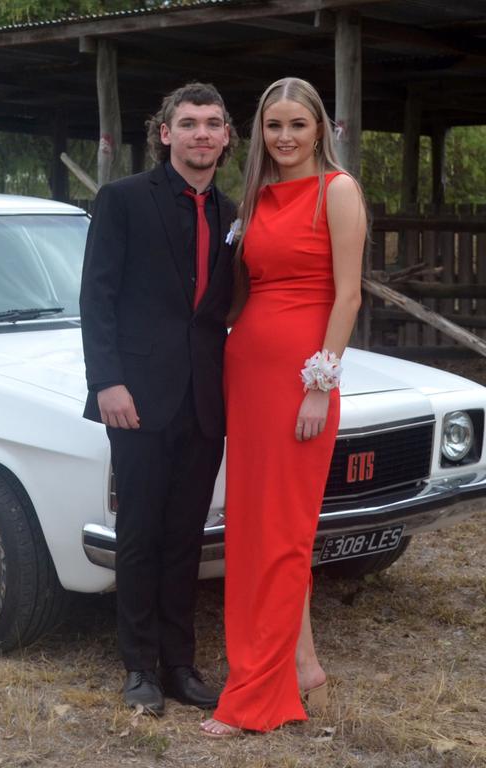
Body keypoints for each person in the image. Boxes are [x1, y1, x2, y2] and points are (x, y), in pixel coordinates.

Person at [200, 77, 366, 737]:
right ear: (261, 133)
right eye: (275, 126)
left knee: (283, 535)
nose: (286, 137)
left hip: (301, 380)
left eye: (298, 124)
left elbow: (348, 297)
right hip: (247, 373)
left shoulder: (338, 190)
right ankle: (304, 669)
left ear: (320, 127)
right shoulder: (257, 199)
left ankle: (256, 696)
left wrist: (318, 385)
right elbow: (240, 292)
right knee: (253, 531)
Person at [80, 82, 239, 715]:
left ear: (227, 137)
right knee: (141, 534)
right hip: (137, 397)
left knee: (186, 538)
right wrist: (107, 382)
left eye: (213, 124)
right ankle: (139, 667)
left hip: (205, 399)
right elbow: (98, 298)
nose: (202, 134)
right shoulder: (121, 200)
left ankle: (180, 664)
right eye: (190, 123)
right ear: (165, 132)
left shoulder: (233, 214)